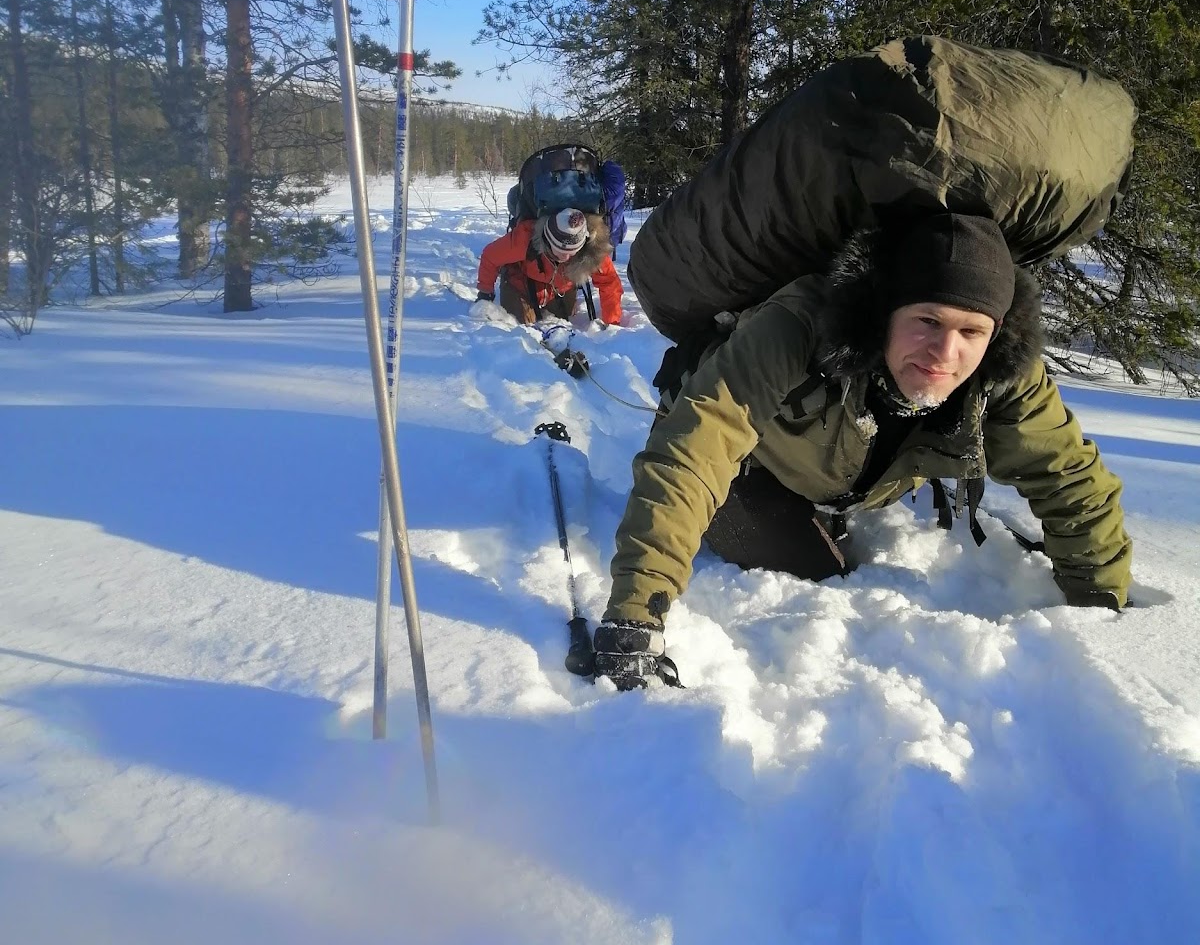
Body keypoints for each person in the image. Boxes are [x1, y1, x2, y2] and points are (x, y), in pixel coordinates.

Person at [592, 211, 1132, 689]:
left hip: (842, 477)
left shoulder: (1001, 371)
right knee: (808, 569)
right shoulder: (796, 327)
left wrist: (1102, 616)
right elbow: (696, 448)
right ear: (883, 314)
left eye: (972, 330)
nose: (947, 351)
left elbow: (1070, 478)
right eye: (927, 321)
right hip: (751, 465)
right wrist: (638, 613)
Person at [476, 207, 623, 326]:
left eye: (572, 253)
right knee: (516, 326)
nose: (565, 257)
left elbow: (609, 283)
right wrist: (485, 292)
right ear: (547, 241)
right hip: (522, 283)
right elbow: (490, 256)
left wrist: (612, 323)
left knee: (563, 324)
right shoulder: (525, 238)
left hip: (561, 289)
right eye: (559, 252)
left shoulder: (592, 251)